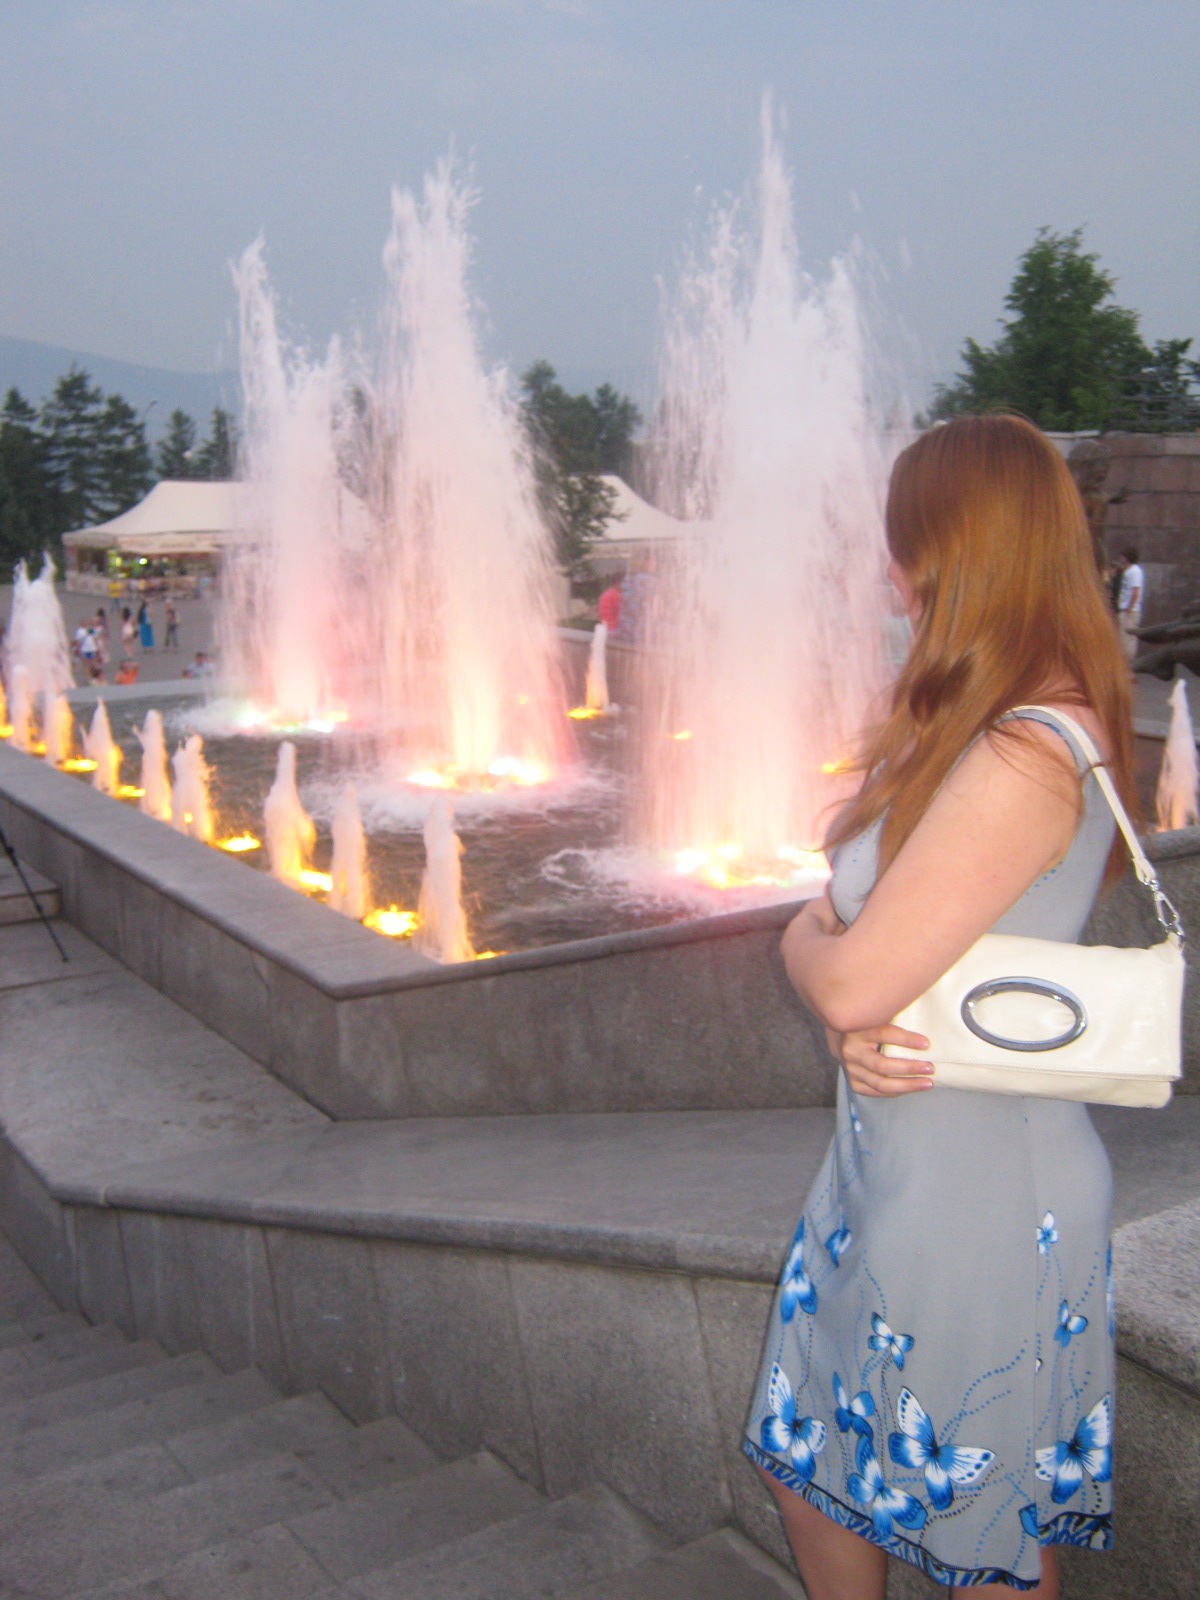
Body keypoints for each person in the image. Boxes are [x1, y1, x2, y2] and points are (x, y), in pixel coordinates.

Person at [744, 415, 1134, 1597]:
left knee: (985, 1546)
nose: (890, 571)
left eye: (905, 542)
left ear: (958, 549)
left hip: (978, 1198)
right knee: (804, 1461)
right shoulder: (969, 722)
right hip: (890, 1171)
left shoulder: (1030, 752)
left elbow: (846, 964)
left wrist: (823, 972)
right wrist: (830, 967)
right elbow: (837, 929)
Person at [1114, 546, 1144, 662]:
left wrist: (1129, 609)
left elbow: (1135, 592)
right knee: (1122, 639)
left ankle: (1128, 663)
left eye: (1122, 556)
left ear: (1127, 557)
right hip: (1124, 609)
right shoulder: (1128, 571)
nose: (1120, 558)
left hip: (1129, 610)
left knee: (1128, 640)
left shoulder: (1135, 571)